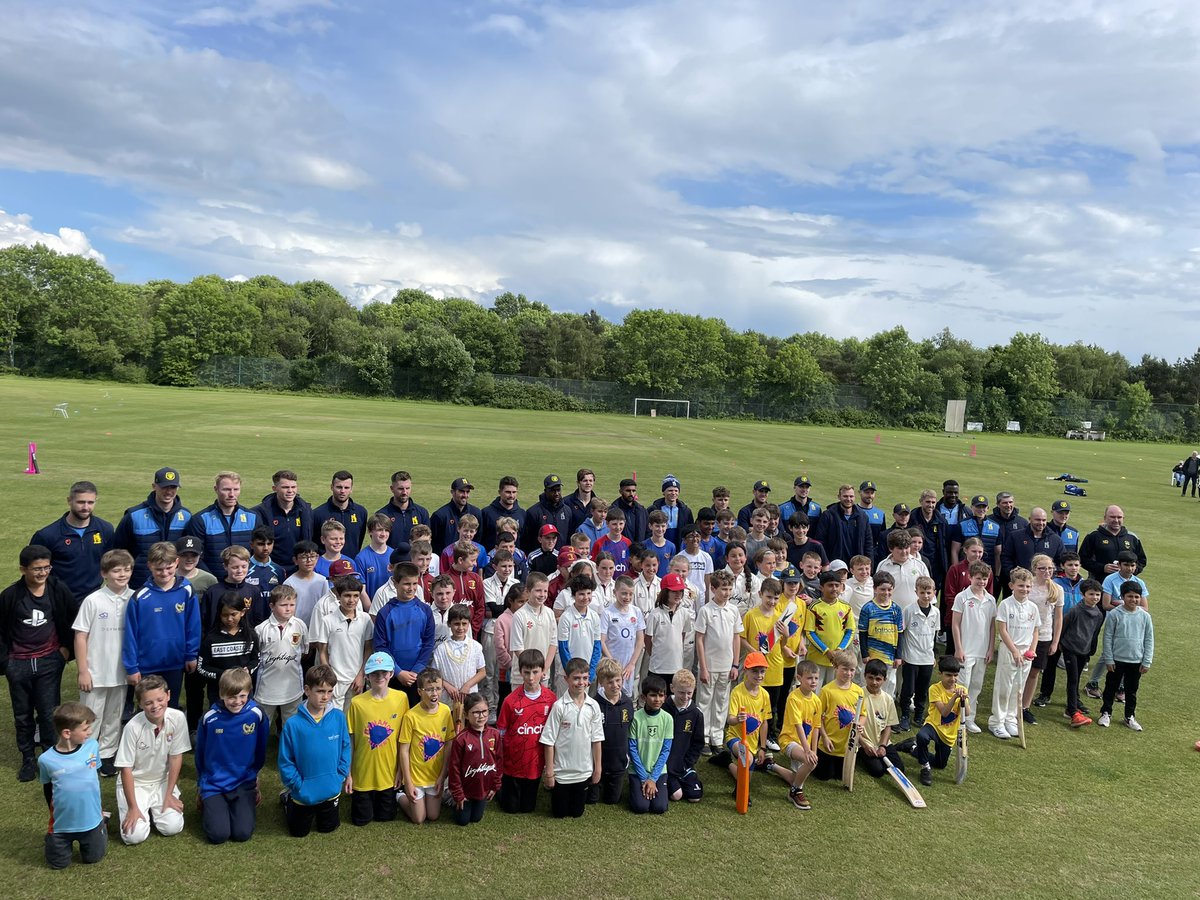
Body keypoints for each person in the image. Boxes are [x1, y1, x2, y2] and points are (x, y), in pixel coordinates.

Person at [72, 548, 134, 776]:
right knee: (90, 717)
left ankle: (107, 756)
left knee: (114, 717)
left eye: (127, 570)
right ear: (104, 573)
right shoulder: (93, 600)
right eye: (116, 570)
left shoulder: (134, 598)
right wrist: (83, 671)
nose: (122, 574)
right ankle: (86, 756)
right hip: (95, 672)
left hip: (121, 672)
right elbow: (80, 636)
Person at [122, 541, 199, 710]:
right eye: (159, 569)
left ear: (177, 562)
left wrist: (191, 654)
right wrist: (132, 667)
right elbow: (130, 635)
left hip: (175, 663)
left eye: (169, 568)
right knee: (149, 708)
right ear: (149, 566)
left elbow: (193, 626)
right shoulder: (140, 596)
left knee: (170, 707)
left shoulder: (186, 590)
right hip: (147, 665)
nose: (164, 573)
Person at [195, 668, 268, 844]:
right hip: (215, 784)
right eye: (231, 697)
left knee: (242, 833)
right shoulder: (209, 719)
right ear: (221, 694)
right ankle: (210, 804)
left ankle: (244, 803)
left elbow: (261, 749)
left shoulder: (256, 715)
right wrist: (201, 784)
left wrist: (254, 775)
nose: (237, 702)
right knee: (218, 835)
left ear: (249, 692)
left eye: (242, 696)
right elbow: (200, 754)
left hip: (244, 783)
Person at [116, 675, 189, 845]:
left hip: (161, 782)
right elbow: (125, 769)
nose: (156, 706)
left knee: (173, 827)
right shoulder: (132, 727)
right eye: (148, 703)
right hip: (137, 783)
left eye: (160, 699)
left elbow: (176, 757)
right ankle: (140, 808)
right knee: (134, 836)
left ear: (168, 695)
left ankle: (154, 809)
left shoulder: (177, 718)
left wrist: (170, 793)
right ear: (140, 704)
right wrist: (133, 808)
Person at [278, 664, 351, 836]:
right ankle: (287, 798)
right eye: (320, 691)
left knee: (328, 828)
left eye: (329, 691)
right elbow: (285, 761)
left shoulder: (339, 718)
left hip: (331, 790)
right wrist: (297, 785)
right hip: (303, 793)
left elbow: (345, 748)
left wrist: (340, 775)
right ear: (307, 690)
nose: (325, 697)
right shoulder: (293, 725)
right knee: (299, 833)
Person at [39, 702, 106, 869]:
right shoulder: (46, 760)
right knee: (57, 864)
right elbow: (48, 790)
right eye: (85, 729)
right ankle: (54, 839)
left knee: (93, 859)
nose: (90, 732)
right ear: (67, 733)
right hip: (62, 826)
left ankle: (101, 824)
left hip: (92, 820)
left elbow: (95, 777)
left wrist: (97, 807)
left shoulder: (92, 746)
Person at [346, 651, 409, 826]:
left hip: (388, 774)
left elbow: (403, 739)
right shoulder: (357, 703)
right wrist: (349, 774)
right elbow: (351, 741)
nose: (379, 677)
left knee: (385, 817)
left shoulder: (401, 698)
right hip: (363, 774)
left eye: (384, 672)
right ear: (367, 676)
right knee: (361, 820)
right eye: (374, 673)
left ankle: (399, 795)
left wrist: (400, 771)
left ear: (391, 674)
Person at [541, 657, 604, 819]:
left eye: (584, 678)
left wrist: (598, 768)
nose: (581, 682)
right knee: (559, 814)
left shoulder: (593, 706)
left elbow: (596, 740)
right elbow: (548, 741)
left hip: (583, 772)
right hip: (561, 773)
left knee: (577, 813)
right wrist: (549, 773)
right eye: (576, 678)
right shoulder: (559, 706)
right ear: (566, 679)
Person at [31, 481, 114, 603]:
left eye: (90, 502)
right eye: (81, 502)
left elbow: (110, 564)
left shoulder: (106, 529)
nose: (86, 507)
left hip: (93, 601)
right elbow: (32, 571)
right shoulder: (47, 535)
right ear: (69, 500)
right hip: (59, 602)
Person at [496, 649, 557, 814]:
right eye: (527, 672)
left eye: (535, 672)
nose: (531, 678)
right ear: (520, 672)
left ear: (543, 672)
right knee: (511, 808)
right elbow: (501, 731)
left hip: (535, 763)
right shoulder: (510, 700)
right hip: (513, 762)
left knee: (527, 808)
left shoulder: (551, 699)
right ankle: (499, 788)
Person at [113, 467, 191, 590]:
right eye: (164, 487)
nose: (169, 491)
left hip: (173, 584)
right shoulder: (133, 516)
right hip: (139, 584)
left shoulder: (186, 516)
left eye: (173, 487)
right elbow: (117, 551)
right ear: (154, 486)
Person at [397, 667, 455, 824]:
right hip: (416, 777)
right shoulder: (411, 716)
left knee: (434, 815)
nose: (434, 693)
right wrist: (408, 782)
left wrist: (442, 776)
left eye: (437, 688)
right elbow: (404, 750)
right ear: (420, 692)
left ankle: (424, 798)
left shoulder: (445, 711)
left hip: (435, 777)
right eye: (429, 689)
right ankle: (399, 796)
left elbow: (449, 742)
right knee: (419, 818)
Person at [372, 562, 436, 705]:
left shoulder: (425, 610)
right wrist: (398, 672)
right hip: (393, 676)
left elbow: (428, 642)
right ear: (395, 583)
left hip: (418, 676)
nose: (412, 588)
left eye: (415, 583)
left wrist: (417, 669)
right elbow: (381, 646)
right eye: (407, 584)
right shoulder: (385, 613)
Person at [988, 567, 1039, 740]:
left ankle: (1011, 719)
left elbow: (1035, 631)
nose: (1025, 589)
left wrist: (1031, 650)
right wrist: (1015, 651)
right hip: (1009, 650)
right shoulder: (1005, 604)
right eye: (1021, 586)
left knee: (1018, 687)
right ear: (1011, 585)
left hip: (1026, 653)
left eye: (1028, 586)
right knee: (1005, 686)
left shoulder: (1032, 607)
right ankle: (997, 721)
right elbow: (1002, 630)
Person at [694, 570, 741, 753]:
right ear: (713, 589)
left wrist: (735, 664)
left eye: (729, 589)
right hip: (709, 666)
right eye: (723, 589)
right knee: (705, 702)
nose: (727, 593)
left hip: (727, 666)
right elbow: (699, 639)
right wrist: (703, 668)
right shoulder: (706, 611)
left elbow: (736, 638)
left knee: (722, 702)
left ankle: (717, 738)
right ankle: (703, 738)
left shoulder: (733, 610)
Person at [310, 574, 373, 711]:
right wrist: (329, 676)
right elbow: (322, 651)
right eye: (347, 595)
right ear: (338, 596)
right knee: (333, 716)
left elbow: (368, 648)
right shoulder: (328, 620)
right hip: (335, 678)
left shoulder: (366, 619)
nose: (352, 600)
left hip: (356, 678)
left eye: (356, 596)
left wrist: (361, 675)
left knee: (352, 719)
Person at [1097, 582, 1154, 732]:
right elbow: (1107, 637)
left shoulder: (1145, 617)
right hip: (1117, 659)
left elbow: (1149, 639)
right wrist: (1109, 658)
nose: (1133, 600)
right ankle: (1106, 713)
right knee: (1111, 687)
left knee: (1131, 690)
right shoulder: (1115, 614)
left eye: (1136, 597)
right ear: (1122, 597)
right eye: (1129, 596)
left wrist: (1146, 660)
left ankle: (1129, 716)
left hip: (1136, 660)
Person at [765, 659, 821, 809]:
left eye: (816, 678)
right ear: (799, 678)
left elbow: (816, 727)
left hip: (805, 744)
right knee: (810, 762)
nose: (813, 681)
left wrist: (813, 750)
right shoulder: (794, 698)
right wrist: (808, 751)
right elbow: (798, 726)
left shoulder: (817, 700)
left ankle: (771, 765)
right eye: (809, 678)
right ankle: (795, 792)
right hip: (789, 740)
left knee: (795, 777)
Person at [254, 584, 308, 735]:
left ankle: (289, 754)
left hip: (293, 687)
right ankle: (257, 755)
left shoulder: (300, 626)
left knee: (291, 726)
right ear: (272, 606)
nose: (288, 609)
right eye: (283, 605)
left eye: (292, 605)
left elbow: (303, 651)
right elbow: (256, 656)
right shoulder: (261, 629)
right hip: (266, 688)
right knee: (262, 725)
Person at [184, 471, 260, 580]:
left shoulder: (252, 518)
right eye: (226, 489)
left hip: (245, 582)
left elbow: (257, 552)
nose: (232, 494)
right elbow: (197, 556)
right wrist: (211, 581)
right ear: (216, 489)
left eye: (236, 489)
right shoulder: (200, 519)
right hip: (214, 583)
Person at [1020, 554, 1063, 725]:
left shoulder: (1057, 589)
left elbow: (1058, 618)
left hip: (1044, 635)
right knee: (1020, 670)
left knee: (1034, 671)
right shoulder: (1027, 586)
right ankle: (1012, 704)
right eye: (1042, 568)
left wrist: (1055, 641)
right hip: (1024, 634)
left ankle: (1025, 706)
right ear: (1034, 569)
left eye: (1050, 568)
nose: (1047, 571)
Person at [447, 692, 502, 826]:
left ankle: (474, 802)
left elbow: (499, 761)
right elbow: (454, 769)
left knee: (476, 818)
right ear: (466, 715)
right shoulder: (461, 739)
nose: (481, 716)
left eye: (484, 711)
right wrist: (459, 794)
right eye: (476, 712)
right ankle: (451, 798)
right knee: (463, 821)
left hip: (482, 789)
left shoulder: (494, 734)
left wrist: (495, 786)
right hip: (465, 791)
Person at [196, 593, 259, 706]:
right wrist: (223, 674)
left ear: (242, 612)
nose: (229, 619)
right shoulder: (211, 639)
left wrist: (248, 670)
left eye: (233, 614)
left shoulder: (251, 636)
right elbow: (201, 667)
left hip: (243, 692)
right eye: (224, 615)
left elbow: (256, 660)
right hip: (218, 693)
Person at [812, 649, 865, 782]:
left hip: (847, 746)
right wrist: (824, 737)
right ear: (835, 667)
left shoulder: (858, 691)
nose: (849, 673)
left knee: (840, 777)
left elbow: (863, 714)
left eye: (852, 670)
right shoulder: (827, 691)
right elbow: (818, 717)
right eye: (845, 669)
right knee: (824, 776)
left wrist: (860, 724)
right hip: (828, 743)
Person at [912, 655, 966, 786]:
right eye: (948, 675)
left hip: (949, 734)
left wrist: (964, 700)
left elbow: (967, 713)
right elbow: (944, 712)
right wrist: (954, 697)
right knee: (922, 736)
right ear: (940, 674)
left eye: (955, 675)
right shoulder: (934, 689)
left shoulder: (962, 689)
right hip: (934, 726)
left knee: (940, 764)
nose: (952, 679)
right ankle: (925, 768)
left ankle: (913, 749)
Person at [723, 650, 772, 792]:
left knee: (744, 778)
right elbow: (730, 720)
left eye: (762, 671)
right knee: (748, 758)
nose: (759, 675)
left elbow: (764, 723)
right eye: (755, 671)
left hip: (752, 743)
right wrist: (738, 719)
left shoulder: (765, 695)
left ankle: (726, 762)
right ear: (746, 671)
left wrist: (762, 747)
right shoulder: (737, 692)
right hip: (735, 738)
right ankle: (738, 792)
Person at [1058, 580, 1105, 727]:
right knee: (1072, 679)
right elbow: (1064, 627)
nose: (1095, 597)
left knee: (1077, 678)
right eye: (1091, 594)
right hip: (1070, 648)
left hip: (1084, 650)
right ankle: (1072, 711)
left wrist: (1092, 649)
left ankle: (1074, 702)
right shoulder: (1075, 610)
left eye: (1098, 594)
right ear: (1083, 594)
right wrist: (1060, 644)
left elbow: (1095, 633)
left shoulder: (1098, 614)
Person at [252, 469, 314, 575]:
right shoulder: (260, 512)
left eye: (293, 487)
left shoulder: (305, 511)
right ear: (274, 488)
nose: (290, 491)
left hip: (298, 569)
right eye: (285, 487)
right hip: (271, 569)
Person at [627, 674, 673, 814]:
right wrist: (643, 778)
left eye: (661, 695)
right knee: (641, 807)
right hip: (637, 771)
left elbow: (666, 750)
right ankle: (635, 788)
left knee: (659, 807)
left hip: (658, 772)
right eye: (653, 695)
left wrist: (653, 778)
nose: (657, 699)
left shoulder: (667, 719)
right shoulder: (636, 718)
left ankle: (656, 787)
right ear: (643, 697)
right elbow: (632, 749)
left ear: (665, 696)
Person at [858, 658, 910, 780]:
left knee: (899, 769)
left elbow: (888, 726)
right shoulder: (858, 695)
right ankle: (860, 756)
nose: (874, 682)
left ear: (884, 680)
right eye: (870, 678)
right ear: (865, 676)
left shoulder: (888, 699)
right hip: (864, 743)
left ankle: (895, 748)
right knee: (878, 771)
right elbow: (853, 726)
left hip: (882, 742)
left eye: (878, 679)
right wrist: (864, 745)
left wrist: (883, 746)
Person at [899, 577, 939, 733]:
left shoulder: (936, 612)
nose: (926, 596)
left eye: (929, 592)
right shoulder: (909, 610)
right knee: (908, 688)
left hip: (927, 658)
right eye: (922, 592)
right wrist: (901, 653)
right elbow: (902, 632)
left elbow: (934, 635)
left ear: (934, 593)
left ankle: (919, 714)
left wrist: (933, 654)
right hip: (911, 656)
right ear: (916, 592)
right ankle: (904, 716)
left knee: (923, 689)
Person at [592, 657, 633, 804]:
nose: (615, 685)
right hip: (598, 762)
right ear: (601, 682)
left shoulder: (627, 703)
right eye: (610, 682)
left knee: (612, 800)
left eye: (618, 680)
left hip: (618, 762)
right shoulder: (594, 704)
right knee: (592, 799)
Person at [432, 604, 486, 711]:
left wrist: (467, 685)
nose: (460, 628)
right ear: (449, 624)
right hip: (448, 699)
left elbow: (482, 672)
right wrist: (446, 685)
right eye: (456, 624)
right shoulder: (441, 649)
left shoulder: (476, 647)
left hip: (470, 697)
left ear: (469, 624)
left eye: (464, 624)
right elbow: (435, 675)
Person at [805, 571, 854, 686]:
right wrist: (826, 651)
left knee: (834, 691)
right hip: (817, 659)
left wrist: (840, 650)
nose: (834, 588)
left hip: (837, 660)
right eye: (830, 585)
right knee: (815, 692)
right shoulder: (814, 607)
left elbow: (850, 631)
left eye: (837, 585)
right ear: (821, 587)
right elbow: (810, 632)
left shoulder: (846, 607)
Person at [1080, 505, 1147, 586]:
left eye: (1119, 517)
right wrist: (1102, 568)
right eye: (1112, 517)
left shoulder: (1132, 537)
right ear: (1105, 518)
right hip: (1099, 585)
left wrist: (1129, 571)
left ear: (1123, 519)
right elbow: (1082, 559)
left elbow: (1142, 560)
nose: (1116, 520)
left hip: (1126, 585)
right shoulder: (1093, 536)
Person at [645, 573, 693, 686]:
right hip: (657, 668)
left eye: (680, 591)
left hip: (676, 667)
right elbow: (648, 639)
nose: (678, 594)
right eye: (674, 591)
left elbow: (682, 635)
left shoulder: (684, 613)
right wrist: (655, 655)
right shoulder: (655, 614)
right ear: (665, 592)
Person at [664, 670, 704, 803]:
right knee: (677, 796)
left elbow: (698, 743)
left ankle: (682, 779)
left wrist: (687, 763)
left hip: (683, 765)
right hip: (665, 765)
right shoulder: (664, 708)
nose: (685, 696)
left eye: (689, 693)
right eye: (681, 692)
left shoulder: (697, 714)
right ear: (672, 688)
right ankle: (669, 781)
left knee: (695, 796)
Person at [998, 508, 1064, 587]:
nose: (1041, 523)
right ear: (1030, 519)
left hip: (1044, 585)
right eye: (1038, 520)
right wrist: (1013, 574)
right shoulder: (1015, 536)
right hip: (1019, 584)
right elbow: (1005, 557)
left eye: (1044, 520)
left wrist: (1050, 574)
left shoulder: (1055, 539)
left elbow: (1062, 562)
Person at [813, 484, 874, 563]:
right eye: (845, 496)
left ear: (855, 497)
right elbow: (820, 541)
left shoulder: (862, 517)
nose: (848, 499)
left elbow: (868, 543)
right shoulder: (828, 515)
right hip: (835, 564)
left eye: (851, 496)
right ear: (839, 497)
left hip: (857, 565)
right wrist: (824, 563)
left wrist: (869, 565)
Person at [312, 470, 369, 554]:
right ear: (331, 487)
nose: (342, 491)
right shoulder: (317, 514)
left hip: (350, 564)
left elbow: (359, 541)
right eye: (339, 487)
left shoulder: (361, 512)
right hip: (327, 565)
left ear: (351, 489)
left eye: (346, 488)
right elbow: (314, 543)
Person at [376, 470, 431, 552]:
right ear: (392, 489)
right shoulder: (382, 515)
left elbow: (427, 540)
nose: (405, 492)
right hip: (392, 561)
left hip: (415, 561)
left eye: (407, 488)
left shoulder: (422, 513)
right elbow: (378, 543)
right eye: (400, 489)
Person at [522, 474, 573, 553]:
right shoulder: (533, 512)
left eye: (558, 490)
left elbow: (569, 537)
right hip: (540, 559)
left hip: (561, 557)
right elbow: (527, 541)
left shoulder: (567, 511)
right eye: (552, 490)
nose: (556, 493)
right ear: (545, 491)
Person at [431, 477, 483, 553]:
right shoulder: (440, 515)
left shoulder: (476, 513)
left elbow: (478, 539)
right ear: (452, 492)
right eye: (462, 491)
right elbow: (433, 543)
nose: (465, 495)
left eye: (467, 492)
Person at [947, 494, 1001, 567]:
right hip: (966, 568)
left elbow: (998, 554)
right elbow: (954, 551)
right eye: (978, 506)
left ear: (988, 508)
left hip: (987, 569)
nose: (981, 509)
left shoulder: (996, 527)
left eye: (984, 507)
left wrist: (997, 574)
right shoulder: (962, 525)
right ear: (971, 507)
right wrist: (956, 570)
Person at [480, 475, 526, 551]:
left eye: (514, 492)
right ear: (499, 492)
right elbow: (480, 539)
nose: (511, 495)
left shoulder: (522, 514)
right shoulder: (486, 513)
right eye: (508, 492)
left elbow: (524, 540)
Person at [353, 515, 394, 600]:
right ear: (370, 531)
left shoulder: (394, 555)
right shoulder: (361, 558)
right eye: (379, 530)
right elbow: (362, 590)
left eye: (386, 530)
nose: (383, 534)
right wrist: (371, 610)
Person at [564, 468, 601, 535]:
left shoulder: (598, 504)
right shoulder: (566, 502)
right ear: (578, 483)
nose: (588, 483)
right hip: (572, 543)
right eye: (585, 481)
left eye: (590, 481)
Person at [614, 478, 649, 546]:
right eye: (628, 491)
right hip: (620, 549)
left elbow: (648, 532)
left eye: (633, 491)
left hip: (639, 552)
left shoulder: (642, 511)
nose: (631, 494)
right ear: (620, 491)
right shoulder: (613, 510)